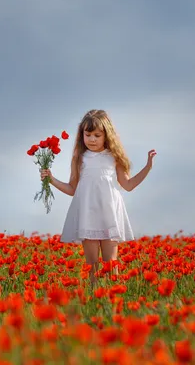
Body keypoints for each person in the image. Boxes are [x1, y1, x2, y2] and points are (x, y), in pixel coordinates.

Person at [40, 109, 156, 286]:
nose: (92, 139)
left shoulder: (114, 158)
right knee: (92, 265)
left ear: (106, 136)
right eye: (88, 135)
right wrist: (51, 179)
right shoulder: (79, 159)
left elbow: (129, 185)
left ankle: (113, 299)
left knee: (111, 265)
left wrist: (148, 167)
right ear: (82, 135)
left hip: (109, 216)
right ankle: (95, 299)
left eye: (97, 135)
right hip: (88, 216)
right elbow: (72, 189)